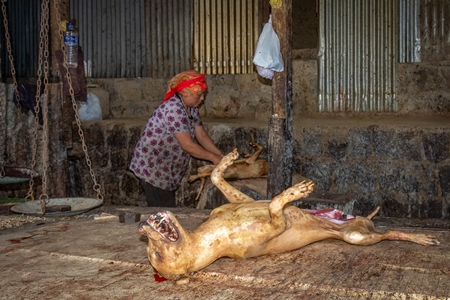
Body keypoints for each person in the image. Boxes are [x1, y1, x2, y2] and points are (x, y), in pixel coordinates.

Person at [130, 70, 224, 207]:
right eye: (199, 94)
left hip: (165, 168)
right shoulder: (173, 109)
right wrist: (214, 158)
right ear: (185, 93)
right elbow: (188, 146)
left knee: (165, 208)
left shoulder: (192, 108)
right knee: (163, 211)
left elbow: (201, 136)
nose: (202, 98)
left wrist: (220, 155)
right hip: (153, 167)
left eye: (203, 94)